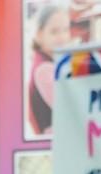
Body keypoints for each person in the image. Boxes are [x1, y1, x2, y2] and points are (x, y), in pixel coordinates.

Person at [27, 3, 71, 136]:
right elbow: (67, 108)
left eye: (66, 30)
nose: (62, 38)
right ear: (39, 34)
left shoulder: (53, 61)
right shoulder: (43, 69)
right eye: (54, 32)